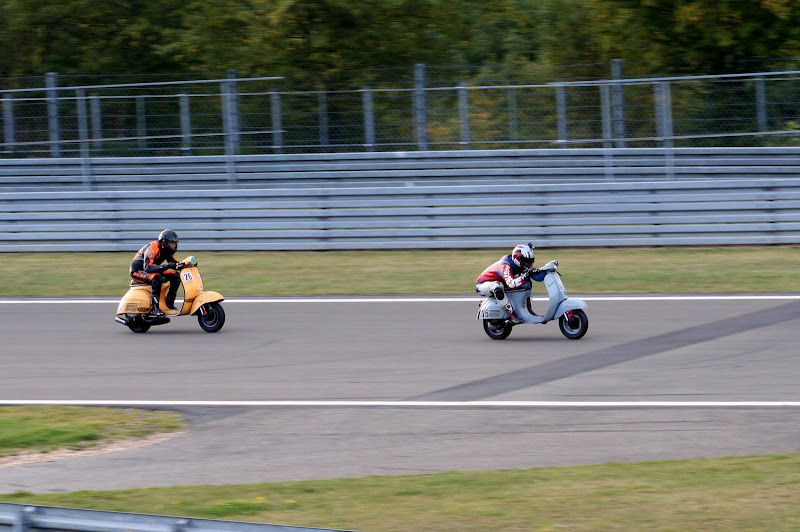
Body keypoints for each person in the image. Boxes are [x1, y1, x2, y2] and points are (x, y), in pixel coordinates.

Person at [475, 243, 542, 324]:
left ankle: (528, 310)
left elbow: (537, 277)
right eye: (525, 261)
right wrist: (525, 276)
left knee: (527, 282)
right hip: (482, 285)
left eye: (530, 261)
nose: (528, 264)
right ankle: (512, 314)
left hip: (500, 282)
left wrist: (546, 271)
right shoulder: (505, 266)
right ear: (518, 259)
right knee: (498, 286)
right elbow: (511, 284)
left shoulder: (518, 264)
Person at [130, 229, 183, 317]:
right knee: (156, 277)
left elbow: (175, 263)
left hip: (151, 269)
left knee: (175, 275)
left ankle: (169, 303)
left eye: (175, 243)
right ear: (164, 242)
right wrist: (166, 266)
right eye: (171, 243)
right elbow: (147, 268)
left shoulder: (166, 250)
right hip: (138, 271)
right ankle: (154, 308)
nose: (174, 245)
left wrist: (187, 264)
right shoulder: (152, 248)